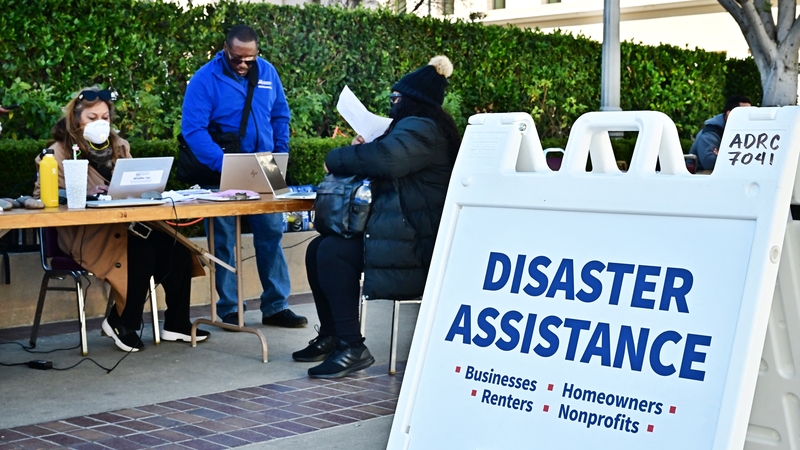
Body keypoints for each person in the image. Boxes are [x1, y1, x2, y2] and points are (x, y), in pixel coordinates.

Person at [294, 56, 461, 378]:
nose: (391, 104)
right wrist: (367, 145)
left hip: (417, 243)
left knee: (332, 253)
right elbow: (387, 156)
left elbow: (386, 161)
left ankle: (351, 346)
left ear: (413, 101)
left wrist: (338, 157)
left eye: (396, 99)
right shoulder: (420, 127)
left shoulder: (422, 128)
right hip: (402, 233)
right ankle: (333, 335)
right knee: (319, 248)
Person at [34, 87, 210, 352]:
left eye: (105, 117)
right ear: (76, 119)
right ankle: (122, 323)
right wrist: (83, 194)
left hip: (124, 225)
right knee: (140, 251)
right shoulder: (57, 152)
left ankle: (177, 324)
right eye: (92, 118)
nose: (100, 124)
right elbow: (41, 195)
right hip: (86, 234)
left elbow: (131, 183)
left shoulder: (119, 146)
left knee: (175, 246)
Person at [181, 25, 307, 328]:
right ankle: (229, 307)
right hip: (222, 165)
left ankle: (276, 306)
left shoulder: (267, 72)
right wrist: (222, 164)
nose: (243, 65)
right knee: (223, 238)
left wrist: (280, 155)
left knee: (272, 233)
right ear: (225, 48)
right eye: (237, 58)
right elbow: (193, 130)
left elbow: (280, 115)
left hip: (267, 163)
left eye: (249, 60)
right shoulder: (204, 78)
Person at [689, 95, 751, 173]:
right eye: (744, 114)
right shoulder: (710, 132)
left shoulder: (741, 131)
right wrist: (736, 157)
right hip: (701, 175)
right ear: (729, 114)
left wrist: (723, 155)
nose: (748, 118)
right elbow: (709, 163)